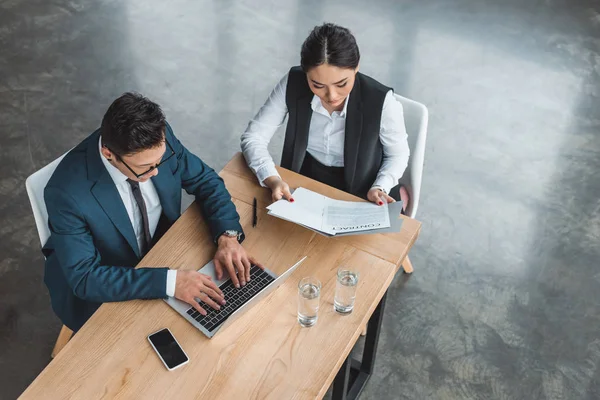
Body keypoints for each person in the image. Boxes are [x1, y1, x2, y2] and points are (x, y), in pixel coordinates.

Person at [43, 92, 261, 332]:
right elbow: (85, 278)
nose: (156, 172)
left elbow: (205, 181)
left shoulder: (157, 138)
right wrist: (169, 282)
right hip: (107, 281)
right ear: (109, 154)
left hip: (162, 250)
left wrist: (227, 236)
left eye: (159, 160)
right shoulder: (65, 193)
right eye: (145, 168)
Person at [241, 22, 410, 208]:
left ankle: (400, 193)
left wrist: (381, 186)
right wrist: (271, 178)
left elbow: (398, 155)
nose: (332, 96)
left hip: (365, 186)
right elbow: (254, 137)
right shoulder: (293, 83)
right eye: (318, 86)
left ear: (356, 67)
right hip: (307, 177)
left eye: (341, 84)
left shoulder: (383, 101)